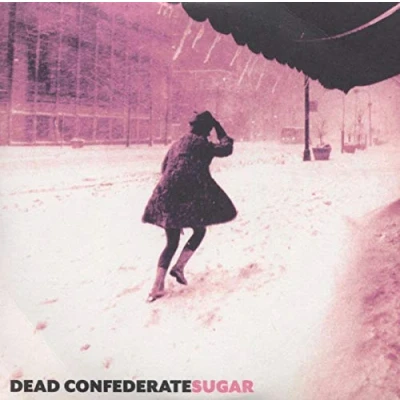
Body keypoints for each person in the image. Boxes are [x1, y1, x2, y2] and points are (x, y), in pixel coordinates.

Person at [142, 111, 237, 302]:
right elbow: (226, 148)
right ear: (206, 130)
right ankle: (179, 267)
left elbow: (164, 168)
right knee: (199, 231)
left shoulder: (176, 144)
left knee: (171, 243)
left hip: (166, 195)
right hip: (185, 198)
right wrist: (218, 126)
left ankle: (156, 287)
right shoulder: (202, 144)